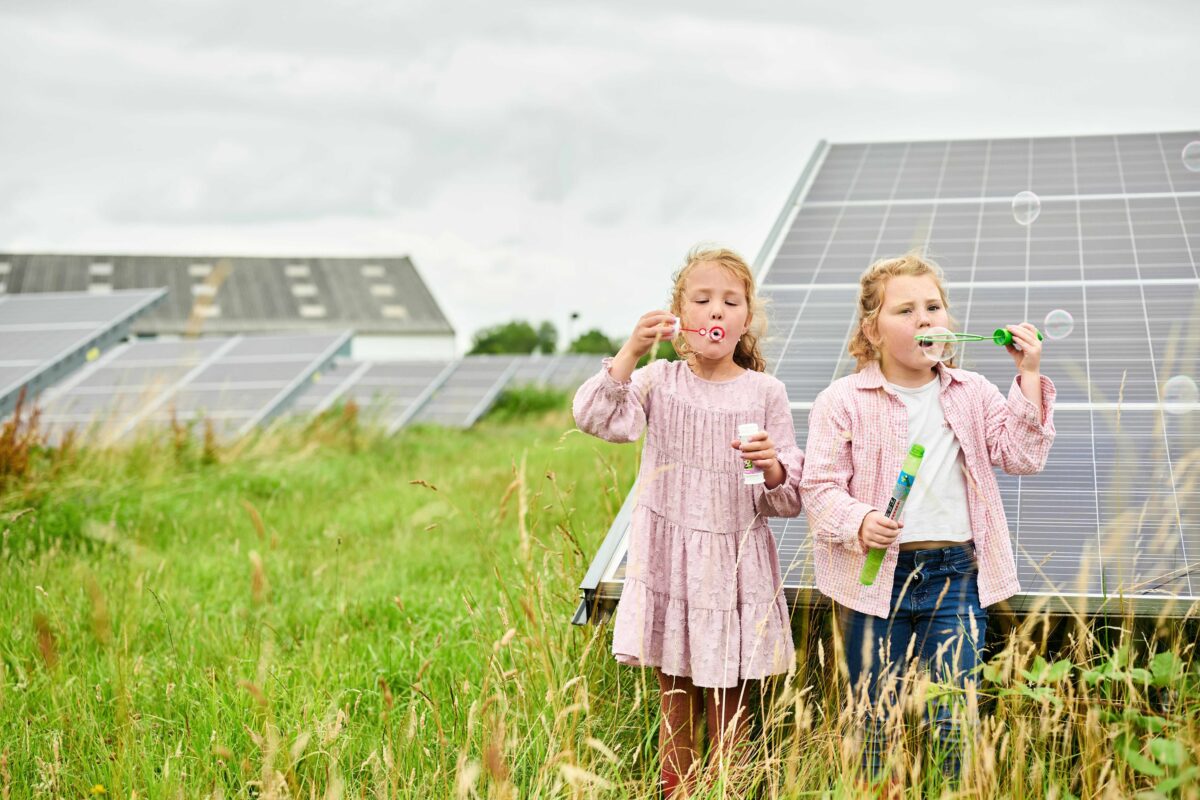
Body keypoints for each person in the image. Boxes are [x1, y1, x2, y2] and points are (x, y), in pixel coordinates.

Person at [800, 252, 1055, 790]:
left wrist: (1026, 374)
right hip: (870, 583)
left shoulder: (973, 392)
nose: (925, 319)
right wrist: (860, 520)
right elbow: (818, 489)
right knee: (873, 723)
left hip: (955, 576)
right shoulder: (841, 401)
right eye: (906, 310)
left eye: (934, 306)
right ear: (872, 330)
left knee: (952, 719)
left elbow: (1023, 456)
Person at [573, 246, 804, 797]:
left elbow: (786, 499)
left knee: (731, 706)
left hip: (732, 567)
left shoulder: (764, 393)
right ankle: (674, 789)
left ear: (747, 319)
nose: (716, 312)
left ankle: (731, 788)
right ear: (679, 314)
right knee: (674, 700)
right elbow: (595, 417)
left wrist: (770, 466)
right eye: (702, 300)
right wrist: (632, 350)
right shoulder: (658, 382)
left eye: (730, 302)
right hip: (669, 564)